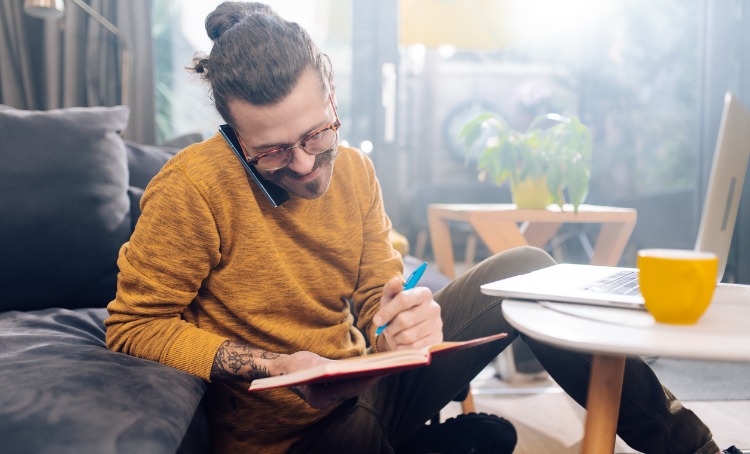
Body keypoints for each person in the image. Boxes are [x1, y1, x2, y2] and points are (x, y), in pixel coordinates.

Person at [105, 2, 722, 453]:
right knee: (372, 435)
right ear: (236, 136)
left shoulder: (356, 173)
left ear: (332, 96)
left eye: (317, 135)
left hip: (366, 388)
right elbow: (133, 326)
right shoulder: (192, 187)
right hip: (295, 441)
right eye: (271, 151)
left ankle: (694, 450)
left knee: (527, 269)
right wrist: (265, 365)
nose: (303, 164)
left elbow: (379, 288)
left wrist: (403, 316)